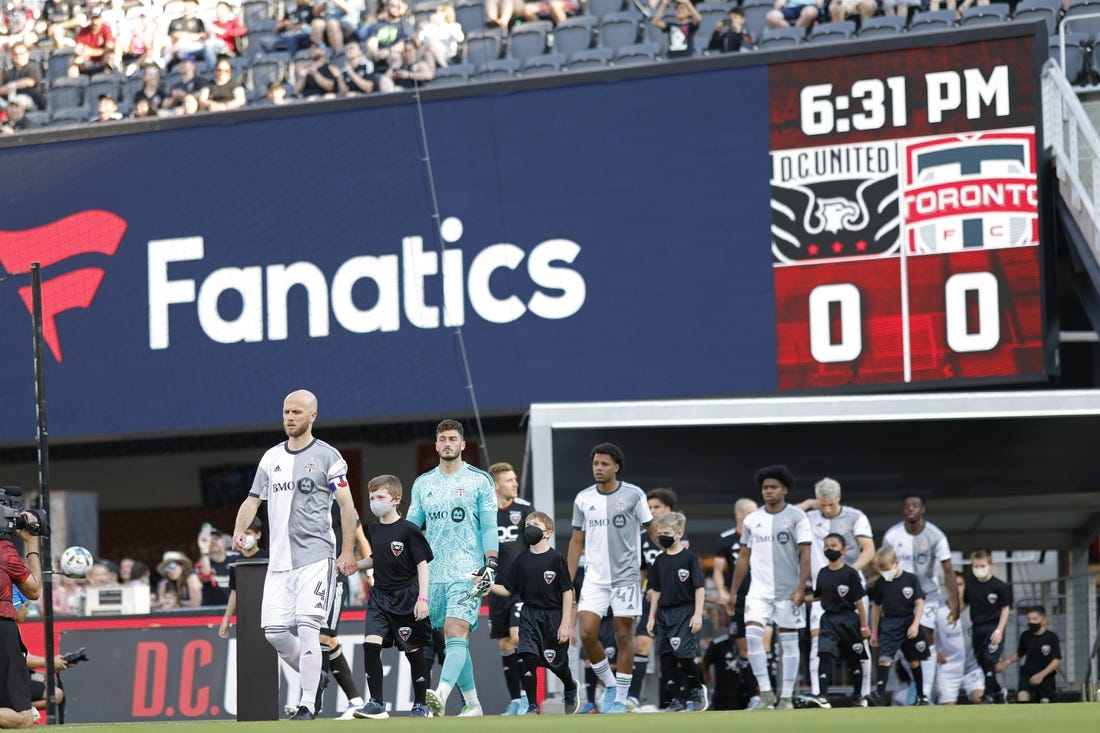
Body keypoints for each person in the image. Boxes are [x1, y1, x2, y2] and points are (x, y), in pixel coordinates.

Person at [230, 389, 359, 720]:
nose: (289, 417)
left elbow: (347, 508)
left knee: (307, 628)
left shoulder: (329, 457)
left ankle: (306, 702)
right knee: (273, 632)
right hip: (279, 562)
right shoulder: (271, 458)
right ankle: (315, 678)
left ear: (312, 416)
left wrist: (346, 551)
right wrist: (238, 529)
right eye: (286, 412)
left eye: (297, 412)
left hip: (316, 559)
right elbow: (252, 499)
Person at [407, 419, 498, 718]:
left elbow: (488, 527)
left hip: (468, 571)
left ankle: (442, 695)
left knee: (456, 629)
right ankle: (473, 704)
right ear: (436, 445)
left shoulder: (479, 480)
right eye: (442, 439)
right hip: (434, 574)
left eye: (452, 439)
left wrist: (491, 564)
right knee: (452, 637)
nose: (447, 443)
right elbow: (410, 530)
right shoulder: (423, 484)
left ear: (462, 444)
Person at [566, 442, 655, 715]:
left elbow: (652, 530)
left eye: (604, 464)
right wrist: (567, 582)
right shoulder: (583, 498)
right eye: (595, 464)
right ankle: (611, 685)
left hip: (626, 578)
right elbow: (576, 540)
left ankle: (620, 698)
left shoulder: (634, 495)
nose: (599, 468)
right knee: (587, 633)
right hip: (594, 578)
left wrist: (668, 554)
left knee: (623, 636)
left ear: (616, 467)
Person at [729, 465, 811, 711]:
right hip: (759, 591)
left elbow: (806, 554)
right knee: (753, 636)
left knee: (788, 642)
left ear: (785, 489)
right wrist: (733, 592)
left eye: (773, 487)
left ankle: (785, 696)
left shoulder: (797, 517)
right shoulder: (753, 519)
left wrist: (800, 587)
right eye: (765, 487)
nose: (768, 491)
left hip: (788, 591)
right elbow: (744, 556)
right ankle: (765, 693)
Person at [353, 475, 433, 719]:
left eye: (380, 497)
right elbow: (378, 558)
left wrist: (422, 599)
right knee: (370, 643)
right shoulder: (374, 529)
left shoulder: (409, 530)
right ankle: (376, 703)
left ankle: (421, 704)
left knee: (413, 652)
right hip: (379, 597)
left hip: (406, 598)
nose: (374, 502)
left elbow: (422, 565)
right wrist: (353, 565)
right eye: (371, 498)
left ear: (396, 500)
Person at [491, 511, 579, 715]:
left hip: (554, 617)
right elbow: (508, 589)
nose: (529, 527)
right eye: (527, 524)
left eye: (535, 525)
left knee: (556, 664)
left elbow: (567, 592)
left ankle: (570, 686)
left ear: (548, 533)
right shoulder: (520, 559)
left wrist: (565, 624)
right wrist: (486, 586)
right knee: (527, 657)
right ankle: (532, 706)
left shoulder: (556, 558)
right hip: (529, 615)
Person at [801, 477, 874, 706]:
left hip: (850, 588)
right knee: (817, 640)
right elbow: (785, 514)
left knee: (858, 644)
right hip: (822, 588)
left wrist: (848, 571)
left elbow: (869, 549)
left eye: (830, 504)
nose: (826, 509)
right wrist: (808, 504)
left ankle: (862, 693)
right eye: (822, 504)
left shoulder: (855, 516)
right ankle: (819, 694)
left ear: (839, 498)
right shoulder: (809, 517)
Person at [882, 494, 959, 703]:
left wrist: (955, 603)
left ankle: (923, 693)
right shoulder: (892, 535)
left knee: (925, 637)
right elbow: (883, 565)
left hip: (927, 596)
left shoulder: (936, 536)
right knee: (903, 645)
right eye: (907, 506)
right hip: (898, 598)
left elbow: (948, 569)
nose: (911, 509)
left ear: (923, 509)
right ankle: (914, 689)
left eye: (915, 506)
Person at [630, 488, 688, 709]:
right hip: (650, 600)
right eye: (650, 508)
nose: (653, 511)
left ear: (669, 509)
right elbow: (642, 571)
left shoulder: (681, 535)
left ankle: (684, 696)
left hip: (678, 601)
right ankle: (633, 697)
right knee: (642, 643)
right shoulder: (643, 538)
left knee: (676, 650)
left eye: (657, 507)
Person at [645, 511, 707, 712]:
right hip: (664, 614)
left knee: (684, 655)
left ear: (679, 534)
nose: (662, 536)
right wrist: (652, 617)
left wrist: (697, 614)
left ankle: (697, 689)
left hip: (685, 612)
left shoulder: (689, 558)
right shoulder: (659, 561)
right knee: (666, 658)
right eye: (659, 532)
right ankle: (676, 700)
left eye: (666, 532)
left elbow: (699, 587)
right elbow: (656, 591)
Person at [488, 461, 535, 716]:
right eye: (509, 480)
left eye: (515, 479)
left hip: (521, 588)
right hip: (496, 588)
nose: (515, 484)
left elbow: (537, 543)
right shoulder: (484, 512)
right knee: (505, 643)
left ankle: (529, 697)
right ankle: (516, 700)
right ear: (496, 485)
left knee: (518, 637)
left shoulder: (525, 509)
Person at [809, 532, 869, 708]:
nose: (829, 549)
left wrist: (864, 626)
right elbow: (819, 596)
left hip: (849, 619)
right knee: (824, 653)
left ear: (843, 550)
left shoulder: (850, 573)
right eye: (826, 546)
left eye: (833, 546)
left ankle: (858, 696)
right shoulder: (822, 573)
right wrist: (800, 598)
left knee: (854, 658)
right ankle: (822, 695)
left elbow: (859, 601)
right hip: (828, 620)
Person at [868, 546, 930, 706]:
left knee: (914, 661)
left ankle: (921, 695)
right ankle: (879, 694)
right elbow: (876, 607)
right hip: (889, 622)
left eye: (887, 569)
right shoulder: (881, 583)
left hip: (908, 620)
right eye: (881, 570)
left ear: (896, 563)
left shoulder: (910, 579)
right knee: (884, 659)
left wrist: (915, 624)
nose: (884, 573)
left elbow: (919, 602)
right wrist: (874, 632)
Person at [712, 497, 759, 705]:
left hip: (761, 596)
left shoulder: (762, 537)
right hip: (738, 599)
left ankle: (772, 691)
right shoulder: (726, 539)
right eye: (751, 512)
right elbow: (717, 570)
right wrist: (722, 592)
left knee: (764, 646)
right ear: (739, 514)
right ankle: (754, 696)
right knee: (744, 649)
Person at [0, 512, 43, 729]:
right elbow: (34, 590)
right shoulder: (4, 551)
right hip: (2, 626)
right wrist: (31, 541)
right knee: (24, 717)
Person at [964, 548, 1011, 703]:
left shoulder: (1000, 586)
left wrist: (999, 630)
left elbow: (1006, 608)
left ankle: (987, 695)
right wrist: (953, 614)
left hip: (993, 626)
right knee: (983, 663)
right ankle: (997, 692)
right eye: (975, 566)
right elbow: (965, 602)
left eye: (982, 566)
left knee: (989, 659)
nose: (978, 569)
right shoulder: (970, 584)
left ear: (991, 565)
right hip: (977, 627)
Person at [935, 572, 985, 705]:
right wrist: (935, 652)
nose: (957, 588)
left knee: (979, 699)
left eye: (960, 584)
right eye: (953, 585)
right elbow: (927, 635)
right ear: (946, 588)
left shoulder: (975, 609)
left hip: (972, 667)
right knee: (948, 708)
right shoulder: (938, 611)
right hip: (948, 668)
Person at [997, 605, 1061, 703]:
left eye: (1035, 619)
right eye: (1029, 619)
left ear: (1044, 620)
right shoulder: (1025, 636)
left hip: (1046, 677)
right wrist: (1006, 662)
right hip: (1027, 674)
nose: (1031, 622)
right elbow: (1019, 653)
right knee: (1022, 696)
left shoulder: (1051, 637)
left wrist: (1041, 675)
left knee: (1045, 702)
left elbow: (1056, 661)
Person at [219, 516, 268, 639]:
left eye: (248, 533)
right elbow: (234, 592)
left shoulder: (269, 559)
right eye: (241, 534)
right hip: (245, 617)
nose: (244, 537)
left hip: (268, 615)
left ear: (258, 535)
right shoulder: (235, 562)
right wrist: (226, 619)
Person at [68, 6, 114, 76]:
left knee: (109, 56)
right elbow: (77, 48)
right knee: (73, 60)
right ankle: (73, 84)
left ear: (101, 18)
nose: (95, 22)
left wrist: (92, 52)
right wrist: (81, 52)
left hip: (102, 59)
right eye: (93, 19)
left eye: (97, 18)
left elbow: (109, 47)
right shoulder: (84, 30)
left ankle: (108, 81)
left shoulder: (106, 28)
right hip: (88, 59)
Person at [0, 43, 44, 111]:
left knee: (20, 100)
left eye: (21, 53)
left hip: (30, 100)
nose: (18, 56)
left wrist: (13, 85)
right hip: (9, 102)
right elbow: (3, 88)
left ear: (27, 54)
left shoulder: (33, 66)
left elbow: (30, 82)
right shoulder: (9, 72)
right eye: (15, 54)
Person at [197, 527, 235, 606]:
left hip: (237, 609)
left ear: (223, 542)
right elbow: (205, 576)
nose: (213, 542)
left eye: (216, 538)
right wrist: (204, 550)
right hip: (213, 612)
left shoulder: (235, 559)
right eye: (209, 540)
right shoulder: (204, 562)